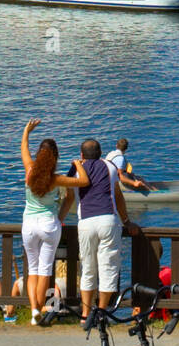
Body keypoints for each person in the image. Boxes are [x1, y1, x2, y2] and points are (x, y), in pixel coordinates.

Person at [20, 119, 89, 325]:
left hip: (29, 225)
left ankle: (34, 310)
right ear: (55, 157)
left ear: (39, 155)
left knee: (32, 270)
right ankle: (41, 307)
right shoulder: (56, 178)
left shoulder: (29, 171)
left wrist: (26, 131)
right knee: (44, 271)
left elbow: (23, 148)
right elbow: (84, 181)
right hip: (49, 225)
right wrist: (78, 165)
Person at [75, 137, 140, 318]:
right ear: (101, 154)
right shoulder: (110, 167)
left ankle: (86, 314)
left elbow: (69, 198)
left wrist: (59, 218)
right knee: (108, 268)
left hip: (86, 222)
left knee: (88, 269)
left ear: (81, 155)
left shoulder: (76, 170)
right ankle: (102, 311)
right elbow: (118, 197)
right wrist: (126, 221)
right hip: (108, 220)